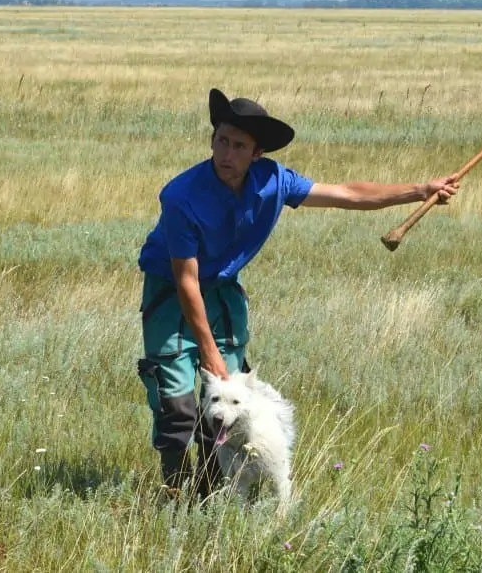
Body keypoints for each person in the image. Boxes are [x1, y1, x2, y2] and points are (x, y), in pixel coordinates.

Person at [136, 88, 459, 498]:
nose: (226, 153)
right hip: (172, 295)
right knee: (177, 404)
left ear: (256, 154)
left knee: (225, 403)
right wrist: (209, 352)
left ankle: (212, 497)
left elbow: (346, 194)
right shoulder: (181, 196)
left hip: (221, 293)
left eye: (239, 146)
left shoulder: (274, 180)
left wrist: (419, 189)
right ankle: (176, 496)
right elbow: (185, 281)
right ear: (212, 139)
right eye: (221, 141)